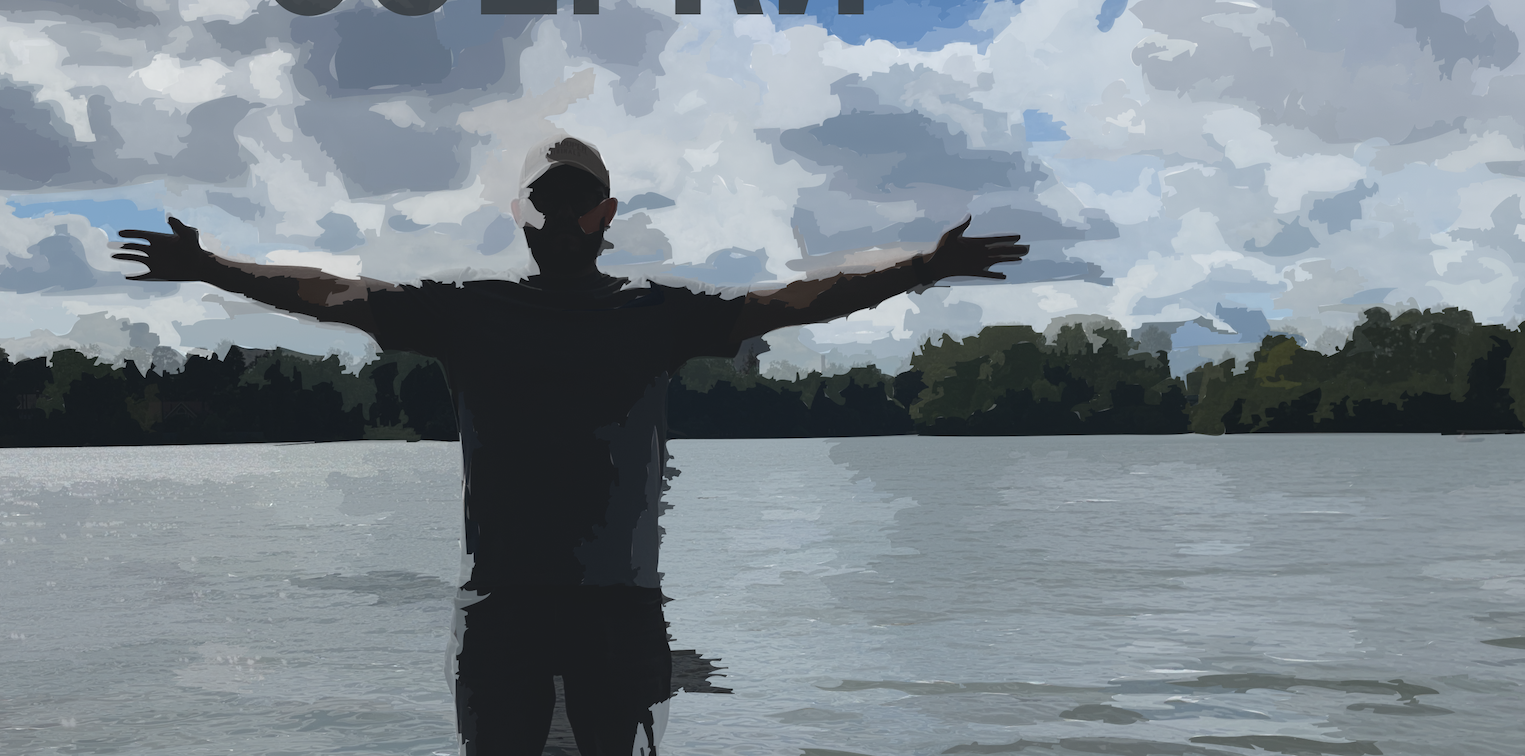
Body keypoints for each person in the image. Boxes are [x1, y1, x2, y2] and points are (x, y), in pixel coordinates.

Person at [116, 136, 1027, 756]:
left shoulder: (627, 314)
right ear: (536, 215)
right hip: (527, 606)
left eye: (571, 202)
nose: (558, 217)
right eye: (550, 202)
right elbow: (329, 294)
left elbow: (794, 303)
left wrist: (922, 268)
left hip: (595, 607)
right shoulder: (490, 313)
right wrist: (212, 267)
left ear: (598, 212)